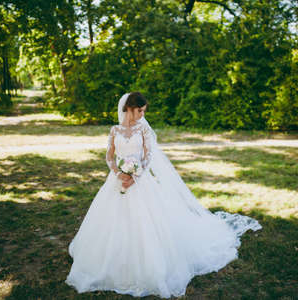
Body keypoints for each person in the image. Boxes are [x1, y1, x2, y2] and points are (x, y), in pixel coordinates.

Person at [65, 92, 262, 298]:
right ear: (129, 108)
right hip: (118, 180)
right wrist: (119, 173)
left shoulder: (143, 130)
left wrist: (135, 175)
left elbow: (149, 156)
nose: (142, 114)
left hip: (140, 180)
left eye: (144, 111)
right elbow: (109, 156)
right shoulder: (115, 130)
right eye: (140, 110)